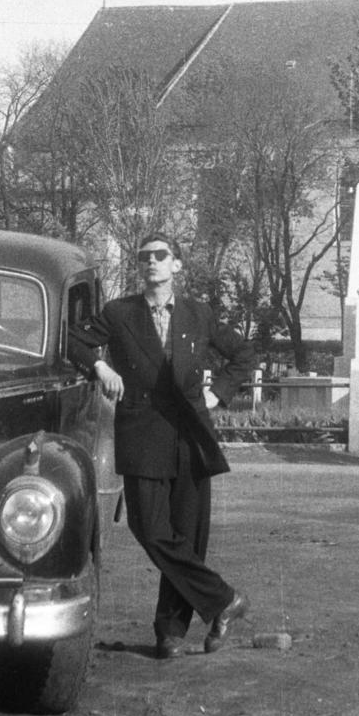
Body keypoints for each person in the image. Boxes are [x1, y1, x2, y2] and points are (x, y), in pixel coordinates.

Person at [77, 232, 255, 659]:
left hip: (191, 437)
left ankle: (171, 632)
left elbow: (244, 354)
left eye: (161, 255)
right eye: (145, 257)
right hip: (142, 435)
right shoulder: (119, 313)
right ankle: (224, 600)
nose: (152, 261)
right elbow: (74, 340)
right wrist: (100, 365)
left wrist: (218, 395)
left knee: (187, 536)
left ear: (177, 265)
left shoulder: (199, 314)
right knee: (150, 529)